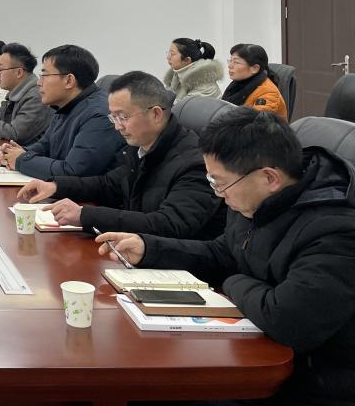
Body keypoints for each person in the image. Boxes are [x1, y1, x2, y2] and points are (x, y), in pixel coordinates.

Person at [96, 110, 355, 406]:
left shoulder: (337, 229)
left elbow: (286, 320)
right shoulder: (258, 198)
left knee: (153, 388)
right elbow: (224, 251)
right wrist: (149, 248)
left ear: (269, 177)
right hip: (255, 348)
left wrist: (232, 281)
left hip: (309, 382)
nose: (219, 194)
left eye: (220, 183)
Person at [18, 71, 224, 238]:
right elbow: (109, 184)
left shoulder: (195, 164)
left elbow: (169, 224)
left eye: (123, 117)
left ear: (156, 114)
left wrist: (85, 215)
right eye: (113, 118)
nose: (117, 127)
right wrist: (56, 186)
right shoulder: (140, 146)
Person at [0, 44, 125, 179]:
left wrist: (21, 159)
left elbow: (73, 172)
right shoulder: (65, 105)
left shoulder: (99, 116)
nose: (38, 83)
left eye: (45, 75)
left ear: (69, 80)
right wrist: (16, 152)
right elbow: (46, 145)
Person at [222, 43, 287, 119]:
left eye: (236, 62)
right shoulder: (238, 84)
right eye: (230, 61)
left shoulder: (268, 93)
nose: (230, 66)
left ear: (255, 68)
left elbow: (257, 122)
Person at [163, 37, 223, 101]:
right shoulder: (176, 76)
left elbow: (183, 106)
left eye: (172, 54)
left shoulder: (205, 85)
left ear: (187, 60)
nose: (168, 57)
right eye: (169, 53)